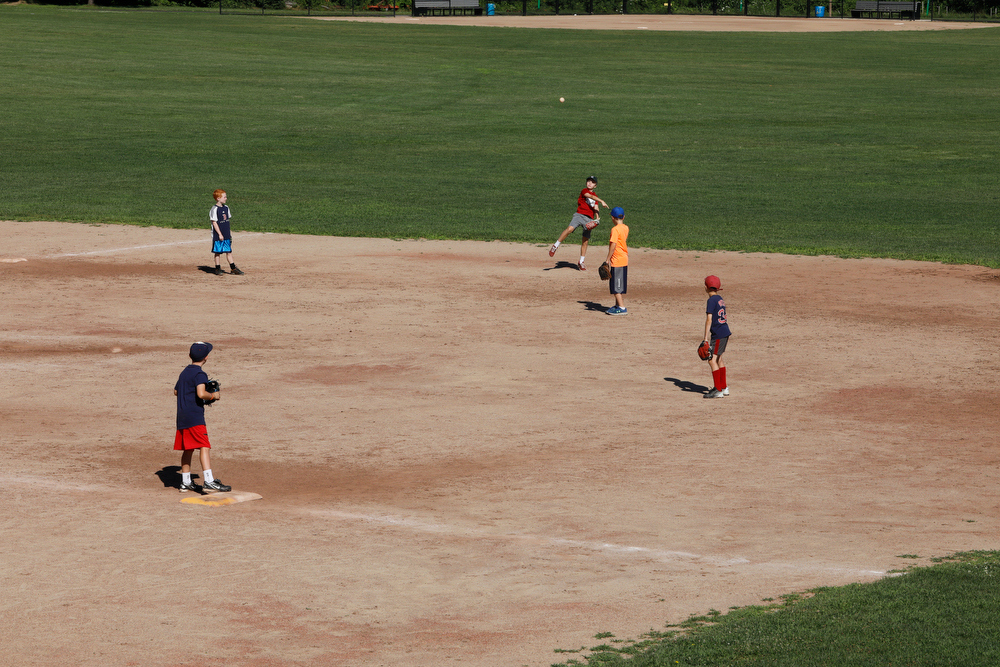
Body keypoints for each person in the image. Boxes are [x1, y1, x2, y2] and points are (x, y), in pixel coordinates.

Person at [173, 342, 231, 493]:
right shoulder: (200, 374)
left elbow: (176, 391)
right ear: (206, 358)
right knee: (204, 446)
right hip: (195, 417)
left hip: (182, 417)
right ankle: (209, 481)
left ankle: (185, 482)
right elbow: (201, 393)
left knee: (188, 449)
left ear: (189, 356)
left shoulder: (184, 372)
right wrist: (213, 396)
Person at [548, 176, 609, 271]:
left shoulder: (595, 196)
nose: (589, 183)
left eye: (592, 182)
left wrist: (597, 219)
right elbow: (591, 196)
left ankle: (581, 262)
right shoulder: (584, 191)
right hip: (579, 215)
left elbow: (596, 208)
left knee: (585, 240)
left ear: (595, 185)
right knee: (570, 229)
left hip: (589, 219)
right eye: (588, 181)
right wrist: (602, 201)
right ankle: (555, 246)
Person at [701, 275, 731, 398]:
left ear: (706, 287)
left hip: (718, 334)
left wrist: (705, 338)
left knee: (711, 360)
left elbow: (709, 320)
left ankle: (718, 390)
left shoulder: (711, 301)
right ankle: (724, 388)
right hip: (724, 331)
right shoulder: (720, 299)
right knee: (719, 359)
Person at [210, 189, 245, 276]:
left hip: (226, 234)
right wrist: (220, 234)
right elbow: (214, 222)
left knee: (228, 251)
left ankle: (233, 268)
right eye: (224, 197)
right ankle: (217, 268)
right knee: (217, 252)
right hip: (218, 235)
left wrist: (228, 233)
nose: (226, 198)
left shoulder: (226, 208)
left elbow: (227, 221)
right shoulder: (214, 209)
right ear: (218, 198)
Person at [603, 206, 629, 315]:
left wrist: (607, 260)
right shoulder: (625, 228)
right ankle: (617, 305)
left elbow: (613, 245)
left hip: (617, 260)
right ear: (624, 217)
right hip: (624, 259)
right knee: (618, 284)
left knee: (616, 287)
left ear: (613, 218)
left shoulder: (615, 229)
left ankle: (622, 308)